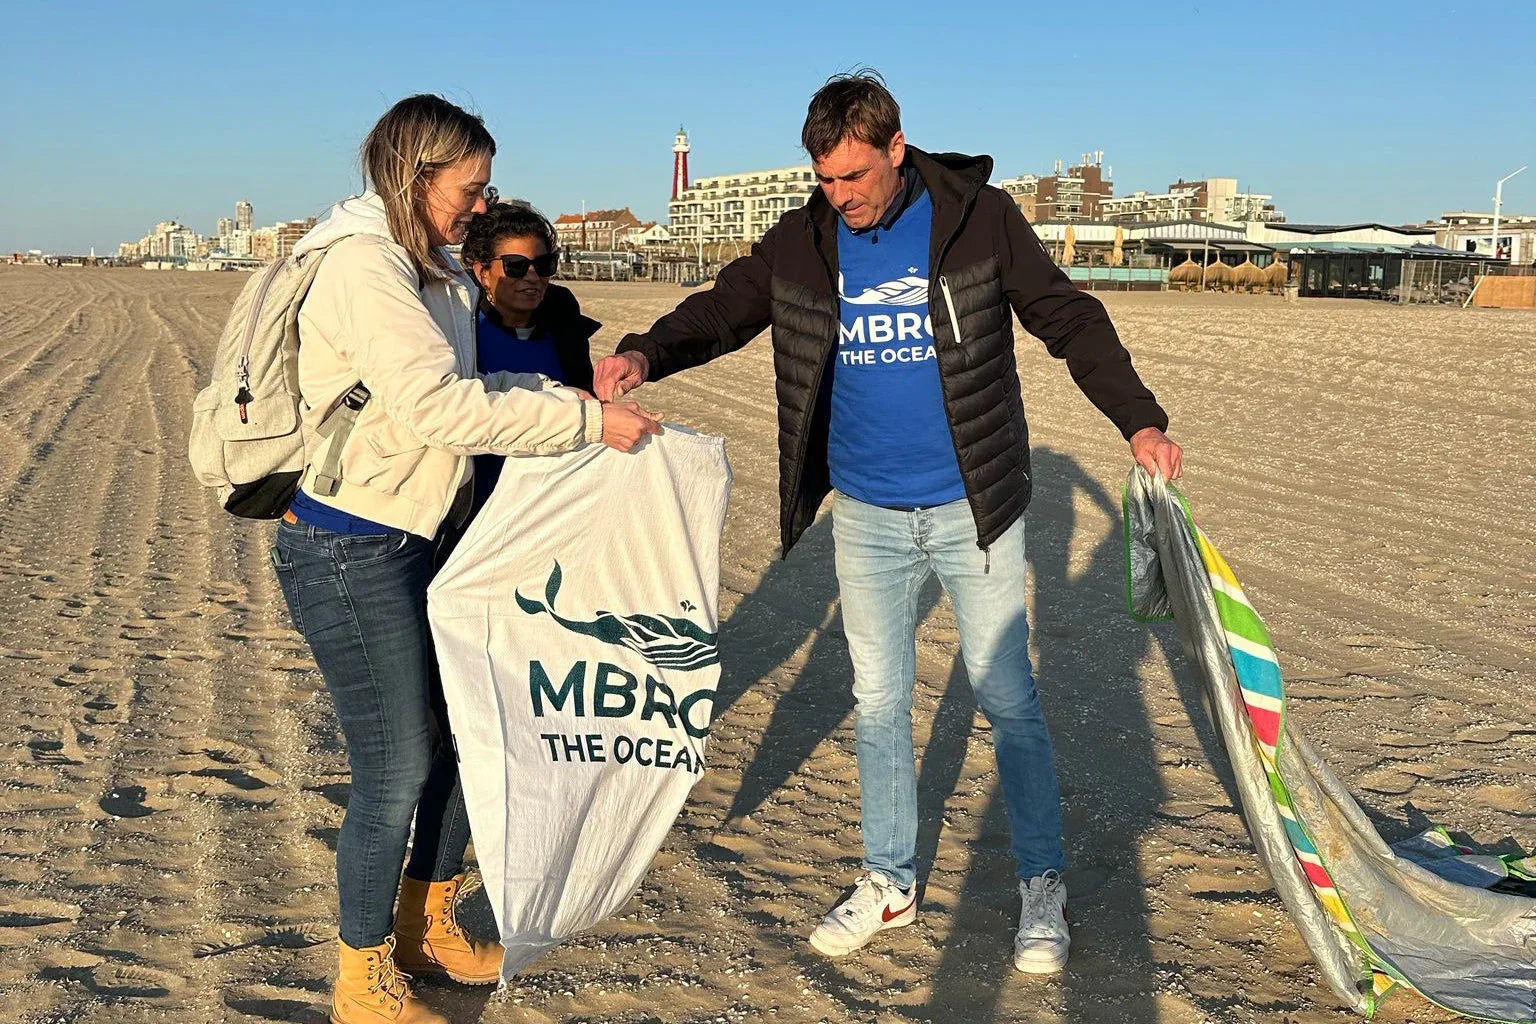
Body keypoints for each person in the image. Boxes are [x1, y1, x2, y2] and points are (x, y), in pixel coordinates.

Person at [594, 71, 1182, 975]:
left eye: (854, 179)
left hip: (973, 505)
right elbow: (726, 307)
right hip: (864, 514)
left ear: (895, 151)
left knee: (1010, 701)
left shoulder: (978, 220)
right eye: (826, 180)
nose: (840, 198)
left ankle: (1040, 884)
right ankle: (889, 880)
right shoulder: (806, 238)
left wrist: (1137, 417)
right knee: (879, 704)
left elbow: (1067, 315)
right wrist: (645, 352)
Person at [272, 94, 659, 1024]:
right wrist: (580, 421)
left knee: (459, 738)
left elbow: (472, 383)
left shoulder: (430, 265)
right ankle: (362, 976)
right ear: (418, 178)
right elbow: (435, 412)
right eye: (472, 189)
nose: (482, 208)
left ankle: (427, 920)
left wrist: (568, 397)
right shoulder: (366, 269)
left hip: (426, 535)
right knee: (396, 764)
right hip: (347, 545)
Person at [459, 201, 596, 517]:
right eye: (516, 265)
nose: (533, 276)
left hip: (550, 505)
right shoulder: (461, 328)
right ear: (482, 273)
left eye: (544, 264)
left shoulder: (564, 325)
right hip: (473, 506)